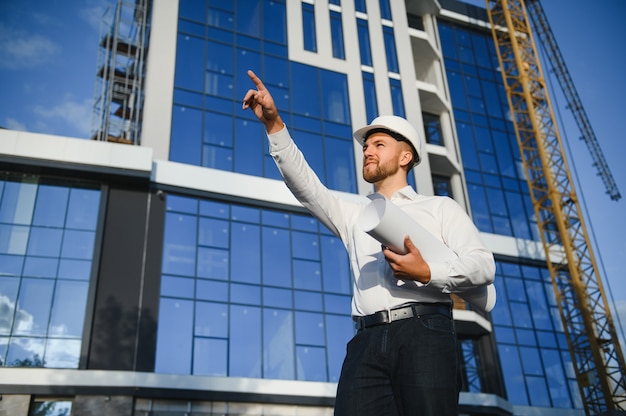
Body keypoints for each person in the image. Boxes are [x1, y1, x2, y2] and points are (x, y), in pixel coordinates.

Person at [242, 69, 495, 416]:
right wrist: (274, 125)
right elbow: (307, 189)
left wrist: (427, 271)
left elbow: (482, 265)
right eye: (366, 146)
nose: (368, 152)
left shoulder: (439, 208)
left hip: (425, 332)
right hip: (365, 339)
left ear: (405, 157)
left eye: (379, 145)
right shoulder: (355, 214)